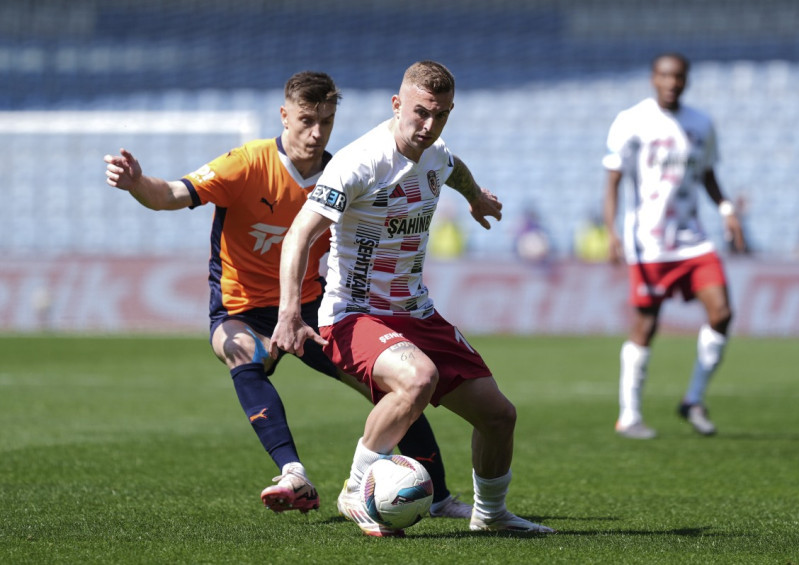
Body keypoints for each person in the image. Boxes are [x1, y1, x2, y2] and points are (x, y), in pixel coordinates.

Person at [103, 71, 472, 519]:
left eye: (327, 122)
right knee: (240, 352)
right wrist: (137, 182)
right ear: (283, 115)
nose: (316, 133)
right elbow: (169, 195)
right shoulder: (246, 163)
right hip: (240, 308)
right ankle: (294, 474)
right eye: (305, 120)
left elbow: (437, 172)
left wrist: (475, 198)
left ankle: (440, 495)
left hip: (312, 306)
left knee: (391, 385)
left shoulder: (343, 172)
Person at [272, 61, 554, 536]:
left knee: (499, 416)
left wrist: (475, 197)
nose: (428, 125)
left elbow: (451, 166)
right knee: (418, 378)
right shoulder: (359, 163)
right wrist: (288, 314)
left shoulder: (435, 152)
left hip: (415, 312)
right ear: (397, 104)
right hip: (353, 314)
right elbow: (299, 234)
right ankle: (355, 487)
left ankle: (490, 515)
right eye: (420, 112)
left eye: (441, 115)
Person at [602, 52, 746, 440]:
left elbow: (708, 173)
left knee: (722, 312)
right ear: (653, 78)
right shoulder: (632, 121)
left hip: (693, 240)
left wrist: (727, 209)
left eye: (678, 76)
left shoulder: (701, 123)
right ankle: (629, 415)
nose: (671, 82)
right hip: (648, 242)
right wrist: (611, 230)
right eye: (665, 75)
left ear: (686, 80)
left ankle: (693, 399)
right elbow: (613, 180)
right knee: (646, 326)